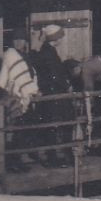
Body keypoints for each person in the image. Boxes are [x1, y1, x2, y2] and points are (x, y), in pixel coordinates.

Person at [27, 24, 74, 165]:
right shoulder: (49, 52)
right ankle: (57, 157)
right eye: (60, 36)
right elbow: (54, 75)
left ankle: (55, 156)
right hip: (55, 93)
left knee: (52, 125)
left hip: (50, 93)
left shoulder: (46, 50)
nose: (61, 39)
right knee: (61, 124)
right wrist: (67, 86)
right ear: (56, 38)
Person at [0, 30, 38, 170]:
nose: (19, 42)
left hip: (24, 97)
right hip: (13, 97)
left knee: (21, 132)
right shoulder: (10, 55)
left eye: (22, 40)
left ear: (26, 42)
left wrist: (32, 89)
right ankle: (11, 163)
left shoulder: (26, 56)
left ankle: (17, 161)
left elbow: (29, 75)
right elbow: (13, 77)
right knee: (12, 131)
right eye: (16, 40)